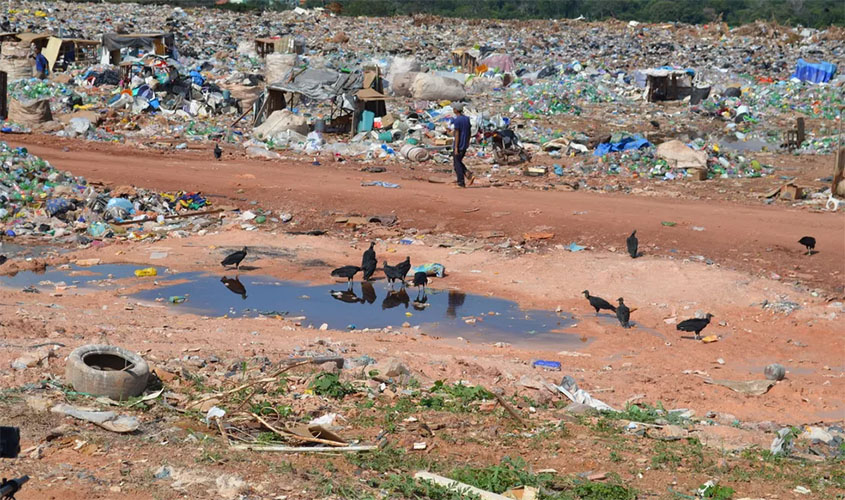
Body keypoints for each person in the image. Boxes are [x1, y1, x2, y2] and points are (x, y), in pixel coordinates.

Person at [451, 103, 474, 187]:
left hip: (459, 144)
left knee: (457, 164)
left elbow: (457, 134)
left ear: (456, 110)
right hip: (464, 144)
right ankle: (468, 174)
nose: (453, 110)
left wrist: (456, 147)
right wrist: (467, 142)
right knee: (458, 161)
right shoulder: (467, 119)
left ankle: (461, 182)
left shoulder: (457, 120)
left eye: (454, 108)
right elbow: (469, 132)